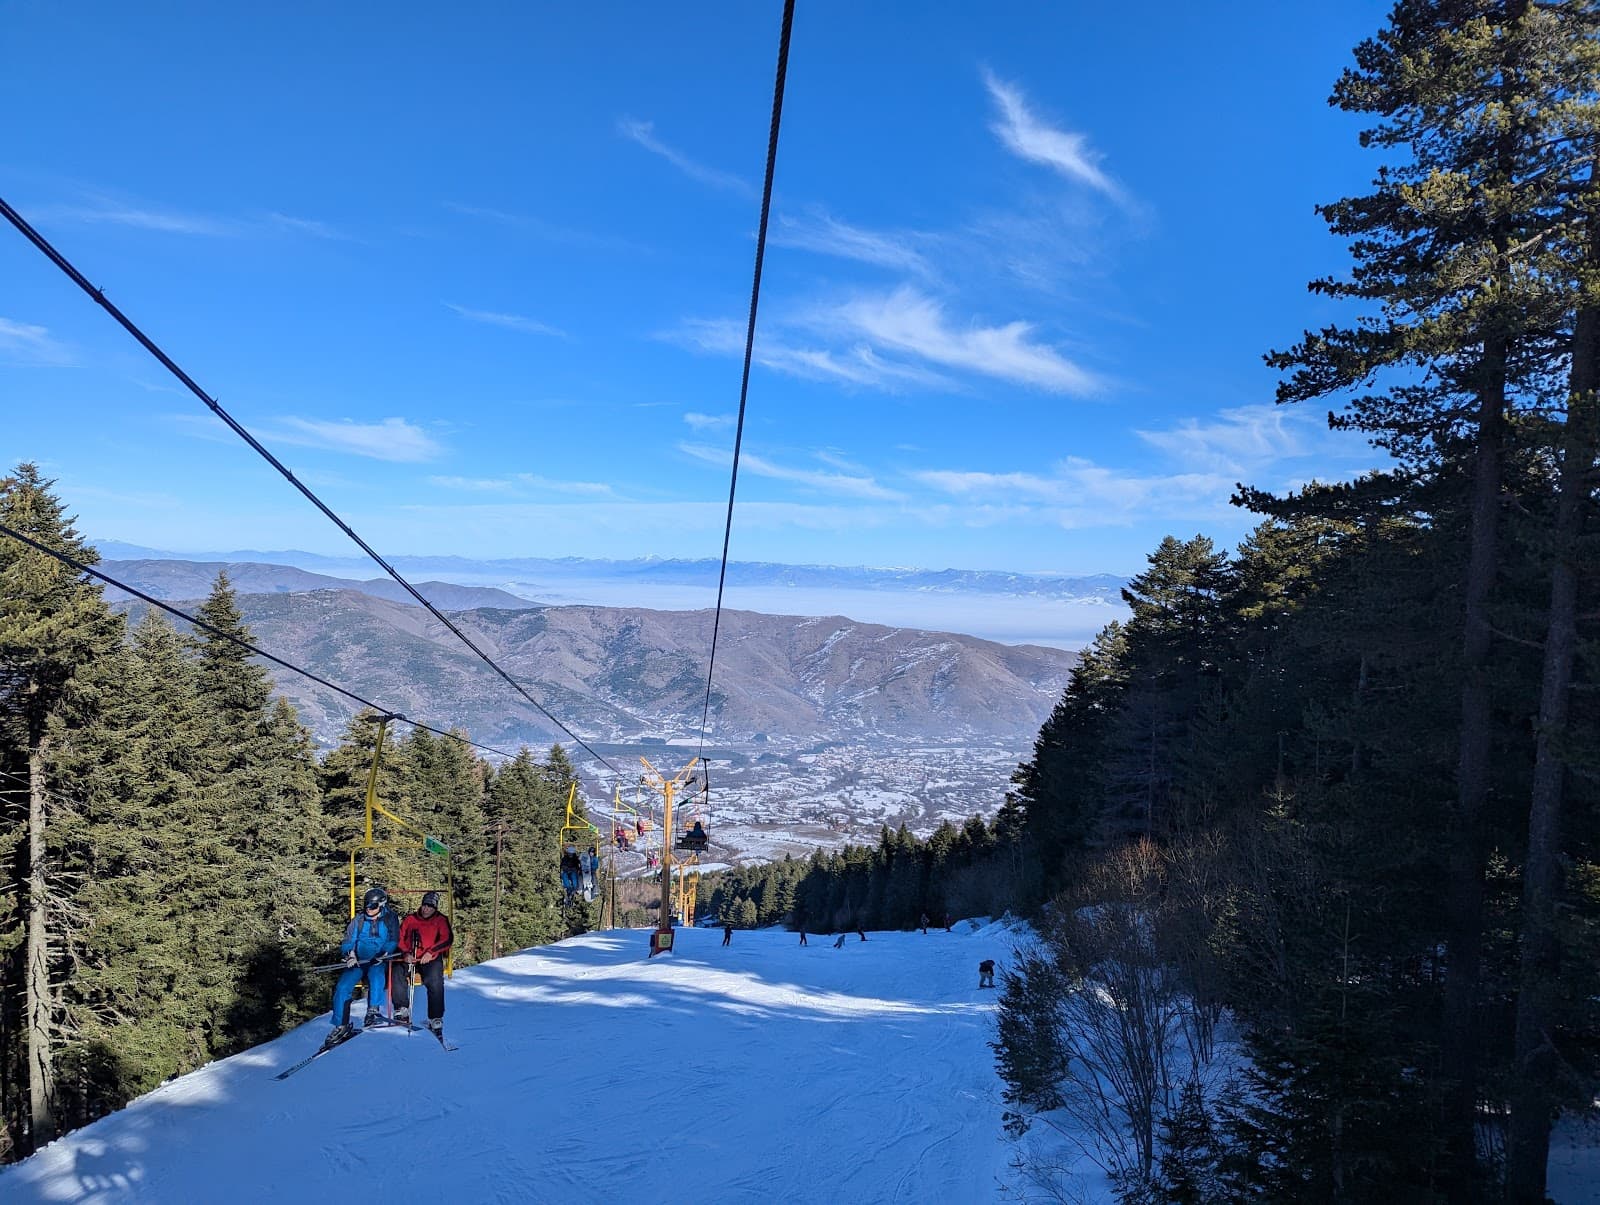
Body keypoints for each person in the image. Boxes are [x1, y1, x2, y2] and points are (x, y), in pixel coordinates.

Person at [327, 887, 399, 1045]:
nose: (369, 910)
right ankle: (341, 1024)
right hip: (359, 960)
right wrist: (349, 954)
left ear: (381, 905)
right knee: (342, 986)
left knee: (377, 976)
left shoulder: (390, 918)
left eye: (372, 907)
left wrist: (384, 953)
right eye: (367, 906)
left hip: (377, 959)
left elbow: (393, 939)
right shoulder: (358, 920)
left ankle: (373, 1010)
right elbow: (348, 940)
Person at [393, 890, 454, 1036]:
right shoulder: (410, 919)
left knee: (435, 981)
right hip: (410, 956)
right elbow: (399, 938)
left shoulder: (440, 920)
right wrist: (405, 953)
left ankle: (435, 1017)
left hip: (429, 958)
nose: (426, 909)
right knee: (396, 972)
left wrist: (431, 952)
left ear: (435, 908)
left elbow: (447, 939)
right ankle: (402, 1008)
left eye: (430, 907)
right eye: (424, 905)